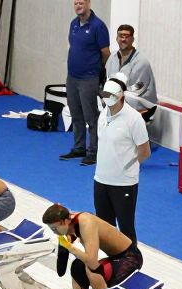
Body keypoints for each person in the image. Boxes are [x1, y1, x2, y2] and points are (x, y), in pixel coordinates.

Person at [94, 76, 150, 246]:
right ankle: (111, 264)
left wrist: (127, 169)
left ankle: (132, 262)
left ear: (120, 96)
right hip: (101, 180)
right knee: (104, 228)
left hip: (124, 183)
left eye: (110, 95)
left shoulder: (134, 119)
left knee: (125, 229)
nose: (106, 98)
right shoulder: (103, 114)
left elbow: (145, 151)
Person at [42, 204, 142, 289]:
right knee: (77, 265)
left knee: (91, 268)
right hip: (115, 257)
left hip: (130, 258)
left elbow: (92, 261)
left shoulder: (86, 223)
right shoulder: (69, 222)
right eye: (52, 229)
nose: (54, 233)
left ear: (64, 221)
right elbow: (61, 268)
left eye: (55, 229)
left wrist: (69, 247)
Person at [60, 0, 110, 166]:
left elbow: (105, 53)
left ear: (88, 3)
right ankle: (79, 147)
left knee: (91, 116)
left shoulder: (98, 26)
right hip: (72, 77)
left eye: (81, 2)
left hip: (89, 78)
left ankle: (94, 151)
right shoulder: (74, 24)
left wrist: (97, 70)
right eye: (75, 3)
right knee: (76, 113)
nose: (78, 6)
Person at [104, 24, 157, 120]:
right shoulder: (112, 58)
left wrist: (113, 98)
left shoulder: (141, 62)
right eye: (120, 36)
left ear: (132, 39)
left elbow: (136, 90)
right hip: (120, 98)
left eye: (126, 36)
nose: (123, 39)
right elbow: (108, 81)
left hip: (141, 103)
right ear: (116, 38)